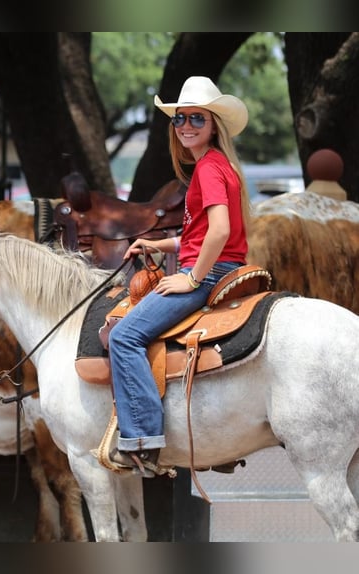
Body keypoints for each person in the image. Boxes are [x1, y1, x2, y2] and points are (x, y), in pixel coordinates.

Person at [107, 76, 251, 476]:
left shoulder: (208, 168)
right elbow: (199, 236)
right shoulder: (220, 165)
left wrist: (191, 278)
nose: (186, 125)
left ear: (213, 124)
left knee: (124, 335)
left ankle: (142, 441)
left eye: (196, 118)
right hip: (223, 266)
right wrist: (156, 245)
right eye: (179, 119)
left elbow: (219, 231)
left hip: (208, 273)